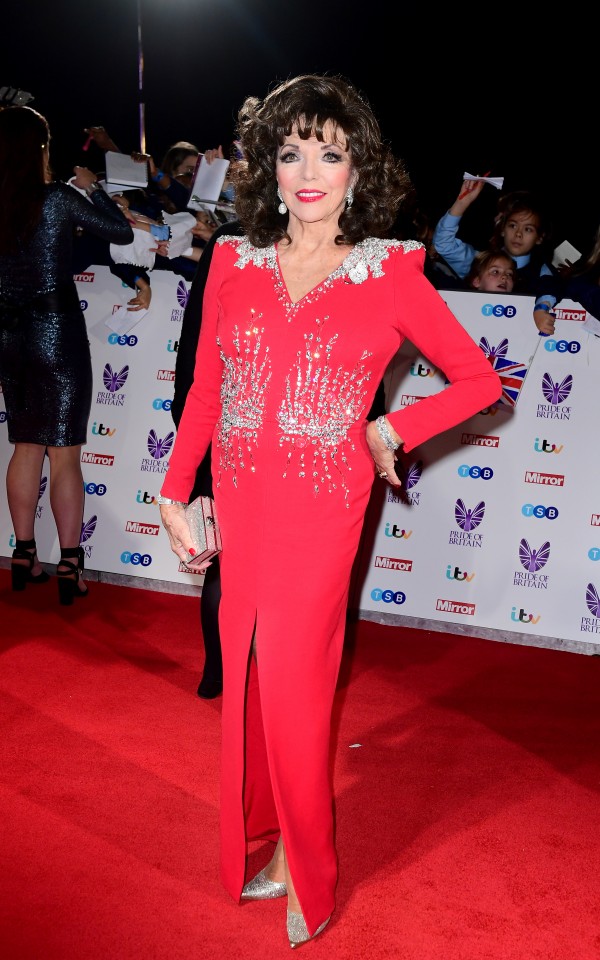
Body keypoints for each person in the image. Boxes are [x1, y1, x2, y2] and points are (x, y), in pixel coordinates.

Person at [157, 73, 501, 948]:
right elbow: (204, 390)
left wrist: (392, 423)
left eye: (331, 152)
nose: (309, 169)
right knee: (252, 682)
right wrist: (173, 490)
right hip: (241, 498)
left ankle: (311, 865)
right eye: (292, 150)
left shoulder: (390, 269)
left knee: (301, 693)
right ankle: (268, 847)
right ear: (269, 166)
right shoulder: (233, 259)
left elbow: (478, 380)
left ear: (359, 168)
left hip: (321, 508)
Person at [0, 106, 133, 603]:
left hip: (10, 337)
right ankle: (71, 565)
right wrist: (93, 187)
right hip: (57, 333)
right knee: (65, 454)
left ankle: (23, 553)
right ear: (40, 149)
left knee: (25, 446)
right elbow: (119, 233)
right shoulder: (57, 198)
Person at [171, 217, 244, 700]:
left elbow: (194, 337)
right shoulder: (318, 239)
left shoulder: (227, 237)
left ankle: (218, 670)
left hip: (218, 411)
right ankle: (226, 667)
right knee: (242, 559)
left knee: (227, 558)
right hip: (247, 419)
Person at [432, 178, 558, 332]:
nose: (518, 234)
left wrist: (542, 307)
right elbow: (443, 244)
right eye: (512, 225)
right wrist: (462, 202)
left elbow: (552, 287)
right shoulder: (481, 261)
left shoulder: (542, 271)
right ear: (502, 228)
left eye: (528, 229)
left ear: (540, 237)